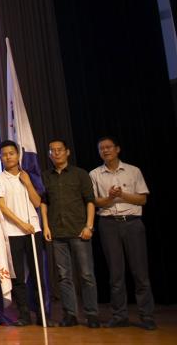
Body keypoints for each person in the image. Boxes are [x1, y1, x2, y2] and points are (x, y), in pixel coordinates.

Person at [90, 136, 155, 330]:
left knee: (140, 272)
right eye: (101, 148)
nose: (105, 151)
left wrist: (122, 195)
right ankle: (119, 316)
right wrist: (110, 198)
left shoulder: (133, 171)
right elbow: (95, 201)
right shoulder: (95, 174)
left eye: (109, 147)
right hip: (108, 224)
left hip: (132, 223)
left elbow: (142, 199)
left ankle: (147, 316)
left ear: (117, 149)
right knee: (115, 273)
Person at [42, 138, 99, 328]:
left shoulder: (80, 174)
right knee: (64, 276)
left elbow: (90, 201)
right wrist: (46, 226)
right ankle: (70, 314)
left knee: (86, 274)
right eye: (52, 150)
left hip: (79, 231)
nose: (56, 153)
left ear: (67, 152)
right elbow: (44, 203)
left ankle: (92, 314)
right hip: (57, 233)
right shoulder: (46, 176)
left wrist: (89, 226)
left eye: (59, 149)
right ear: (49, 154)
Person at [0, 139, 44, 327]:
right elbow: (2, 207)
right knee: (17, 275)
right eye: (4, 154)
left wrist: (28, 183)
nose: (8, 157)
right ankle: (24, 314)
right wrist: (22, 224)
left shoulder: (27, 175)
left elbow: (37, 202)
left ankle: (41, 313)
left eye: (11, 153)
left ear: (18, 155)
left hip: (33, 230)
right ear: (1, 158)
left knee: (37, 273)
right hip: (13, 231)